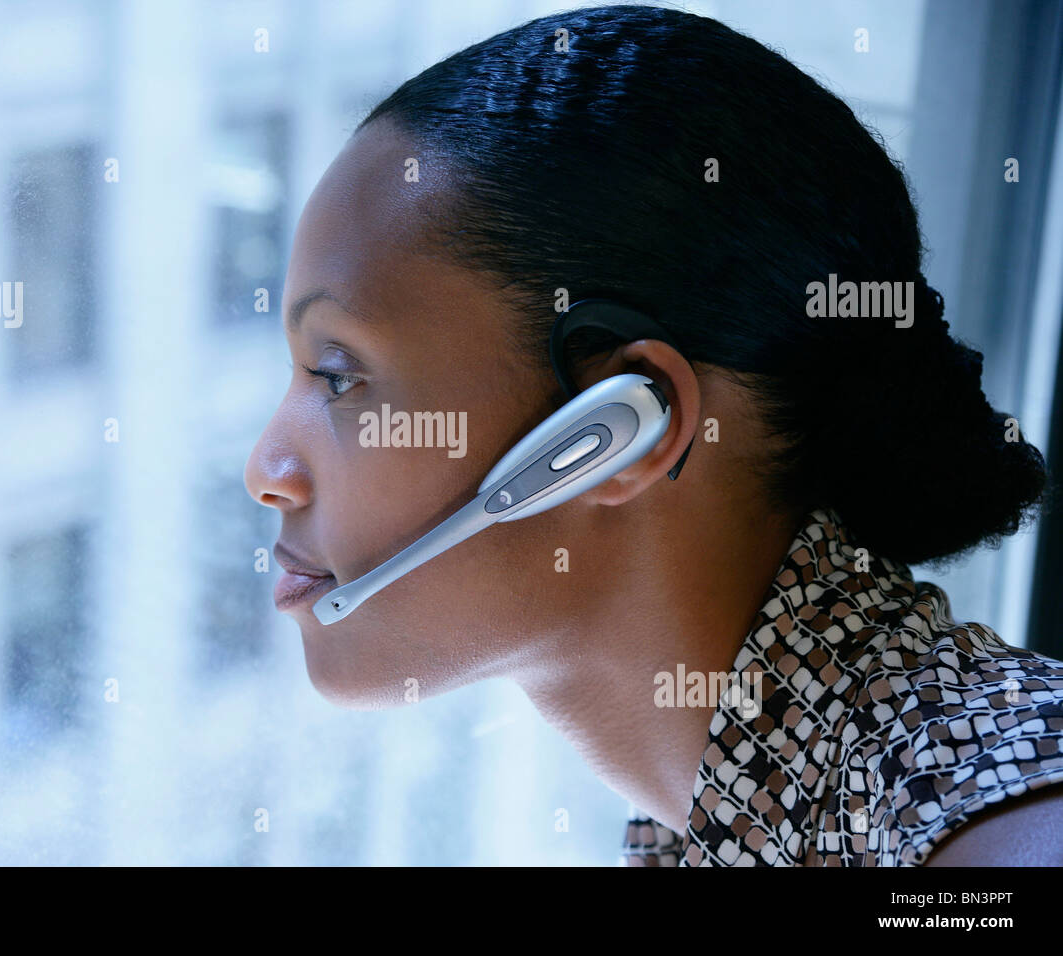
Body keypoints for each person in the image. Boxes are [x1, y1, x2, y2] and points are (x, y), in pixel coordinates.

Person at [243, 3, 1063, 865]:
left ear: (620, 428)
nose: (268, 469)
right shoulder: (703, 824)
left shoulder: (1003, 843)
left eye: (338, 377)